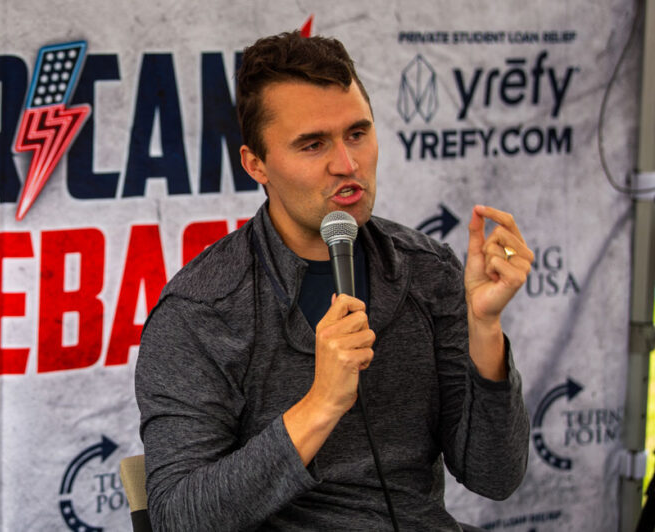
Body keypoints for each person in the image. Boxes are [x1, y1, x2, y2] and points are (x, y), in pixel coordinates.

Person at [134, 31, 533, 531]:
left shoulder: (430, 272)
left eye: (358, 134)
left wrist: (485, 330)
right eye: (313, 144)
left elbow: (495, 477)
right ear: (256, 164)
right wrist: (320, 404)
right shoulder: (202, 309)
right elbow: (178, 518)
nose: (347, 165)